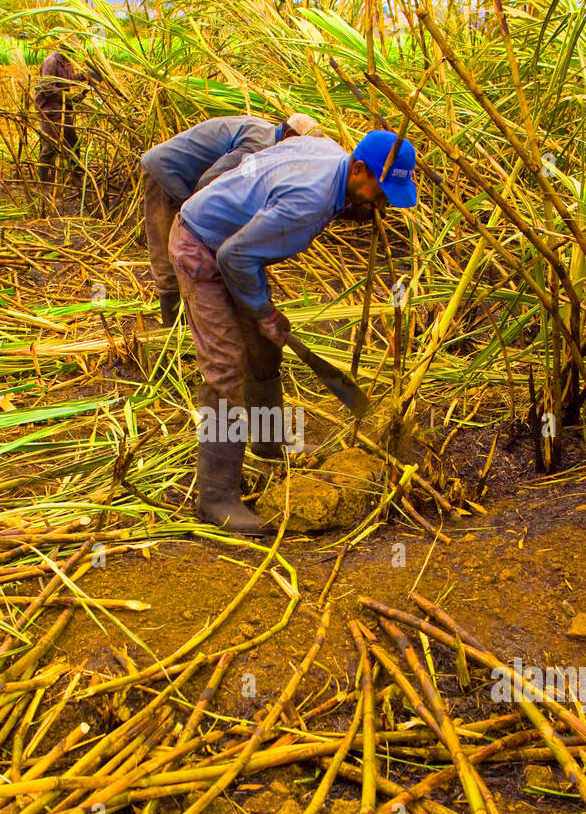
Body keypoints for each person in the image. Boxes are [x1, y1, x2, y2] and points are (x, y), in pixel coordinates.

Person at [168, 130, 418, 535]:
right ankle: (216, 497)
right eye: (379, 193)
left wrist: (261, 316)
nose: (380, 205)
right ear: (357, 169)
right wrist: (264, 311)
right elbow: (234, 256)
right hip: (201, 248)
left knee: (264, 350)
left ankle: (267, 444)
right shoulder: (310, 203)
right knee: (226, 367)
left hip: (230, 244)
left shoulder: (329, 152)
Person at [141, 112, 323, 326]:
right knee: (169, 254)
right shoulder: (260, 144)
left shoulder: (265, 135)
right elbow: (210, 183)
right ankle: (171, 334)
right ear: (290, 135)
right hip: (166, 172)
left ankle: (189, 325)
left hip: (184, 177)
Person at [35, 46, 91, 186]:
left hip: (63, 109)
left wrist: (82, 76)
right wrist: (68, 95)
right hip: (49, 110)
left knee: (72, 142)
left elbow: (66, 79)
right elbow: (46, 87)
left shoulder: (67, 61)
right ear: (65, 48)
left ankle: (77, 176)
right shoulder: (51, 61)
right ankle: (42, 183)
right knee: (50, 146)